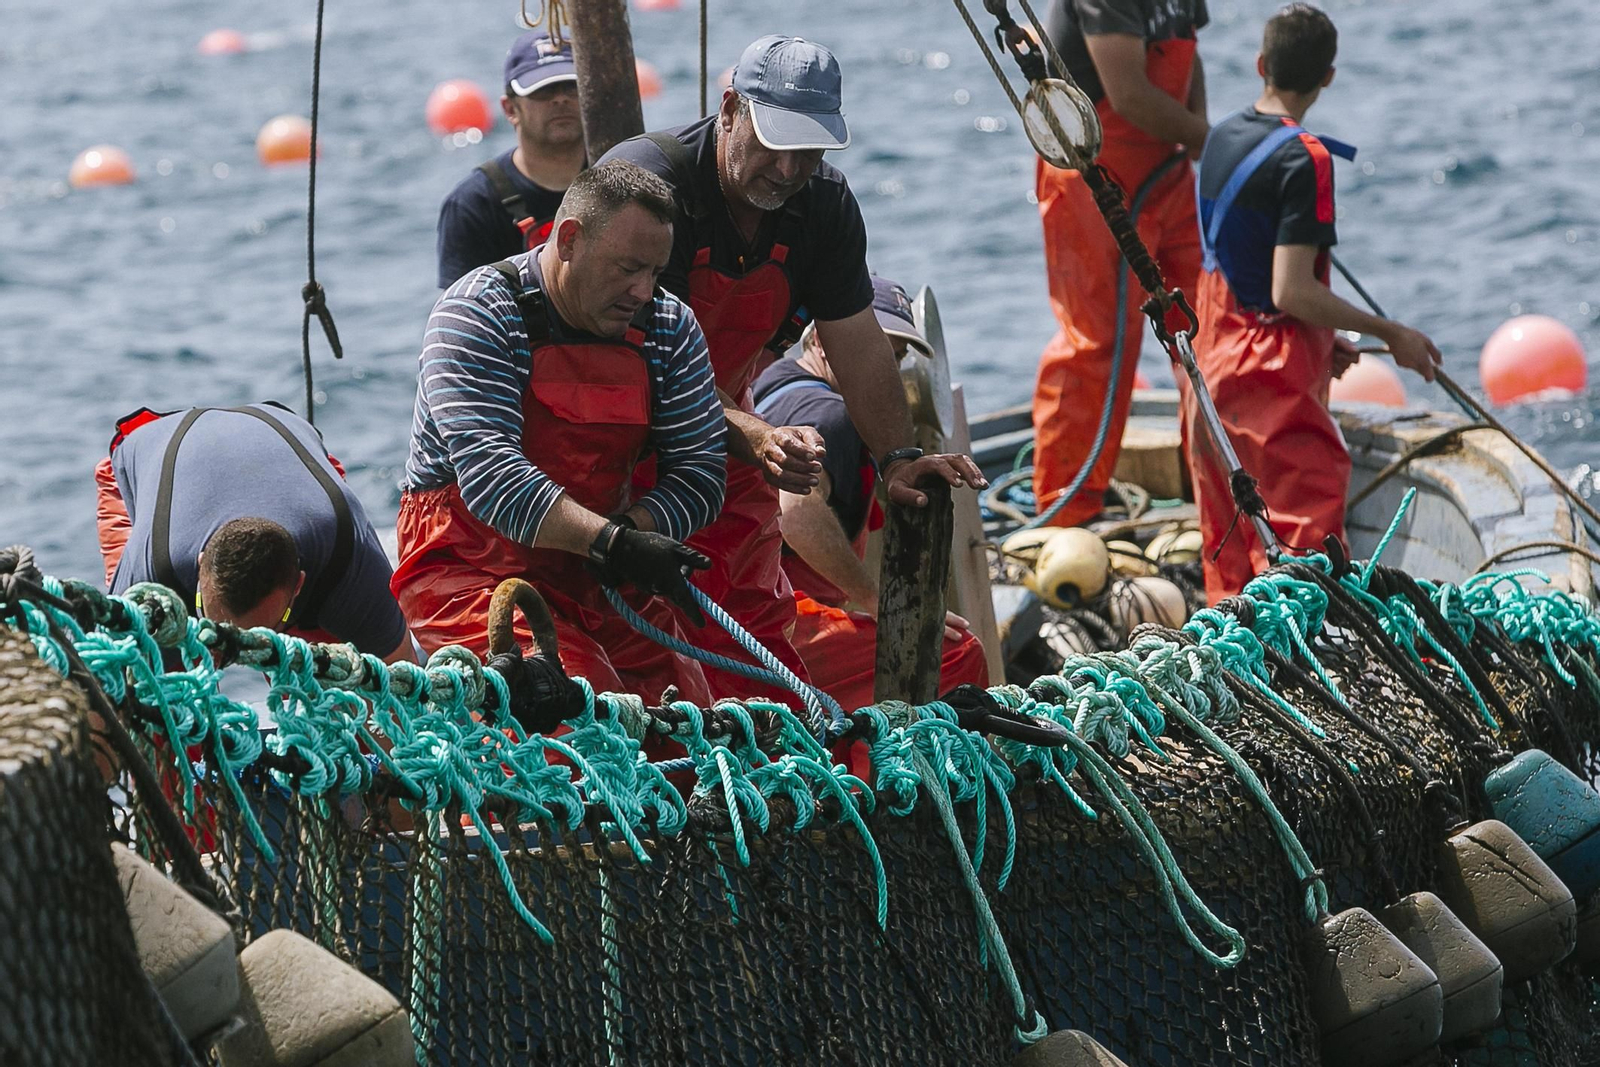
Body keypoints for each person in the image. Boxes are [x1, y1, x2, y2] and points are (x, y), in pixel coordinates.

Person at [600, 34, 987, 703]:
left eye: (809, 149)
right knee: (642, 662)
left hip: (729, 453)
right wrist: (753, 434)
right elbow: (637, 362)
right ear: (729, 110)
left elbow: (859, 340)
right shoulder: (650, 186)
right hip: (613, 451)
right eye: (774, 141)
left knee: (756, 646)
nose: (786, 168)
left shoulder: (825, 206)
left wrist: (897, 456)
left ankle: (784, 781)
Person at [393, 160, 729, 705]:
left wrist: (632, 536)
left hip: (597, 572)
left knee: (688, 722)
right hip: (470, 572)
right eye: (628, 268)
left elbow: (700, 475)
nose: (644, 290)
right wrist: (615, 543)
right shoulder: (476, 313)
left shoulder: (670, 326)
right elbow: (495, 482)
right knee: (577, 720)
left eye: (656, 272)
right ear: (569, 239)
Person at [1180, 3, 1440, 601]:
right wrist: (1392, 332)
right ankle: (1310, 678)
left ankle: (1238, 680)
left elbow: (1242, 263)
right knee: (1305, 546)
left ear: (1261, 65)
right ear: (1328, 76)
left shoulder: (1219, 137)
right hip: (1269, 375)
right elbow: (1289, 291)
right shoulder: (1307, 158)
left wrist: (1327, 338)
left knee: (1229, 536)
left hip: (1208, 351)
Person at [751, 276, 990, 708]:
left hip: (740, 615)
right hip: (783, 624)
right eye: (877, 352)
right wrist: (876, 602)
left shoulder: (771, 382)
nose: (885, 372)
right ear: (822, 341)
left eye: (893, 359)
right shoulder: (832, 418)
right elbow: (795, 511)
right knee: (958, 654)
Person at [1031, 0, 1210, 528]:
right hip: (1096, 176)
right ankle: (1067, 515)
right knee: (1099, 345)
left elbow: (1188, 54)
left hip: (1169, 171)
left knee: (1207, 329)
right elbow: (1129, 94)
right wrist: (1218, 142)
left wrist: (1198, 137)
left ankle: (1221, 485)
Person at [94, 403, 415, 662]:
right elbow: (108, 681)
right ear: (201, 563)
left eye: (261, 631)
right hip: (149, 468)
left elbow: (399, 688)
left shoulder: (344, 553)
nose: (232, 652)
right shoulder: (154, 566)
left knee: (333, 680)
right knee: (159, 693)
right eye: (215, 628)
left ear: (299, 584)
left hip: (288, 449)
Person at [435, 32, 585, 288]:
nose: (560, 99)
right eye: (543, 90)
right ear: (510, 109)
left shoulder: (620, 178)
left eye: (571, 86)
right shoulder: (472, 206)